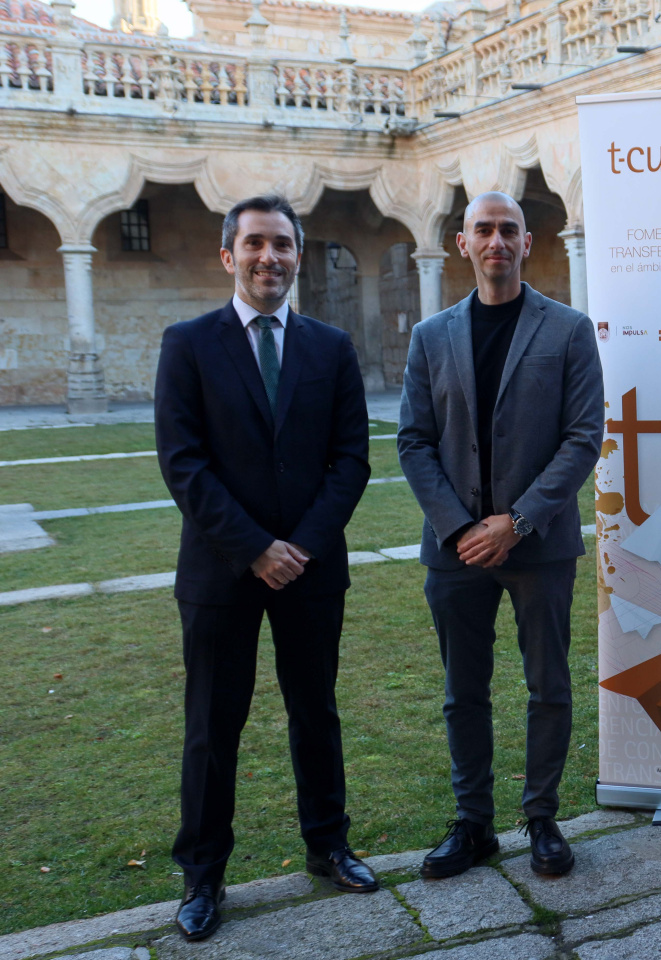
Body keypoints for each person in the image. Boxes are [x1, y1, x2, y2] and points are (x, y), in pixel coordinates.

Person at [154, 195, 376, 941]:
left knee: (316, 713)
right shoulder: (187, 345)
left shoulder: (330, 347)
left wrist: (299, 548)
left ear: (297, 256)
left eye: (282, 245)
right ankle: (204, 876)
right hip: (222, 573)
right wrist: (255, 547)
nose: (268, 257)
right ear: (228, 255)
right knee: (213, 726)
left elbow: (350, 462)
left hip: (311, 570)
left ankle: (329, 846)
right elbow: (184, 466)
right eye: (254, 244)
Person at [397, 191, 603, 879]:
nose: (496, 241)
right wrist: (462, 528)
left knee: (548, 685)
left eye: (508, 230)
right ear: (462, 244)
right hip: (455, 551)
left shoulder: (569, 330)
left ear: (527, 243)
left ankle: (541, 818)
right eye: (482, 230)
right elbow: (413, 442)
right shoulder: (431, 338)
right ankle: (474, 824)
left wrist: (515, 523)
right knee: (464, 691)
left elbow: (582, 439)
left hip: (538, 545)